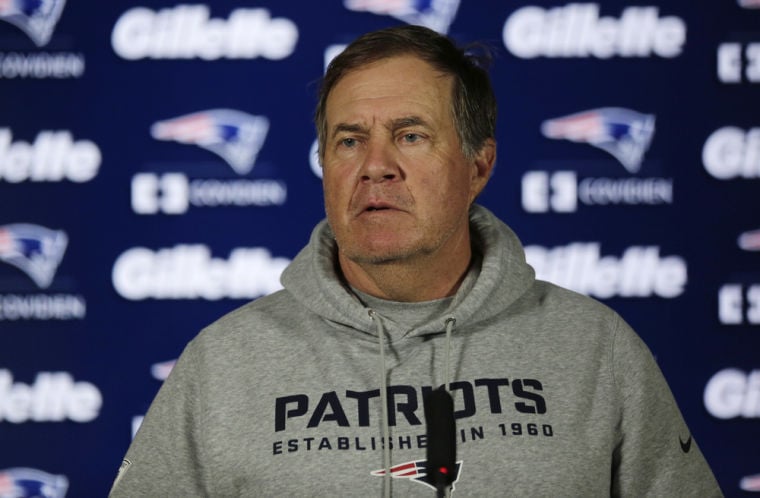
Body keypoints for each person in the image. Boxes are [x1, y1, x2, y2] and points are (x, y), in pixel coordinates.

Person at [109, 25, 722, 497]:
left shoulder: (596, 349)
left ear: (479, 166)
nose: (376, 165)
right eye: (349, 140)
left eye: (410, 135)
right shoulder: (223, 363)